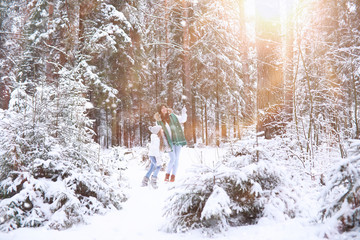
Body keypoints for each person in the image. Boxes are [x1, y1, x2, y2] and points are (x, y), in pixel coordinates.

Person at [154, 104, 187, 182]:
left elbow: (183, 120)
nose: (164, 109)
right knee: (173, 158)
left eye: (165, 107)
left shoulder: (173, 116)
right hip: (168, 142)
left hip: (177, 139)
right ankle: (167, 174)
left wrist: (184, 112)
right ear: (160, 110)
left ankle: (173, 176)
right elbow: (158, 132)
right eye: (162, 108)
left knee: (177, 159)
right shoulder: (158, 121)